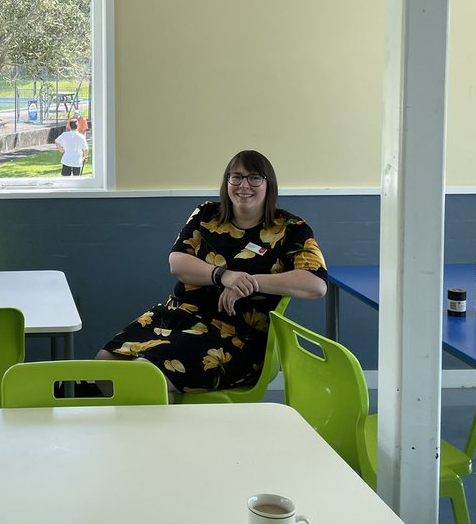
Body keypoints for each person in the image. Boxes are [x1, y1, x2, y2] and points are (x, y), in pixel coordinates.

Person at [96, 149, 327, 394]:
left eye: (254, 178)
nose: (244, 185)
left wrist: (250, 282)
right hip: (178, 316)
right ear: (227, 182)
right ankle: (134, 427)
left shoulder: (291, 229)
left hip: (235, 337)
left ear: (269, 184)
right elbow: (178, 262)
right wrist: (225, 276)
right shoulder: (206, 214)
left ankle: (162, 431)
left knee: (147, 373)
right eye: (236, 177)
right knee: (105, 363)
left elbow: (316, 284)